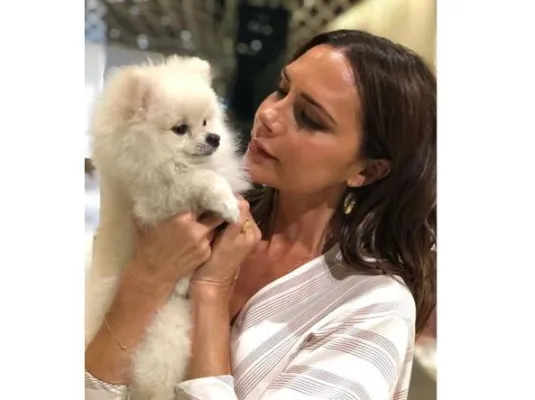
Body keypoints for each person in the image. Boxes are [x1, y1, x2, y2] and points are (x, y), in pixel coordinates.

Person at [85, 29, 436, 400]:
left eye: (309, 118)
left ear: (367, 170)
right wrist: (147, 278)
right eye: (282, 89)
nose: (269, 114)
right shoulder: (196, 215)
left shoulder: (374, 307)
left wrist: (211, 291)